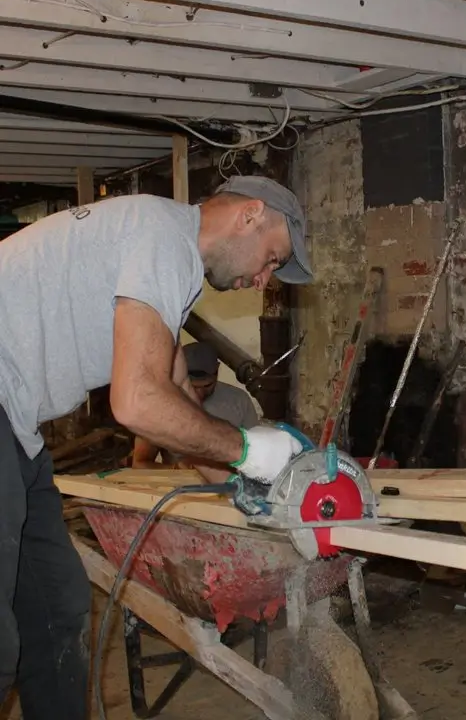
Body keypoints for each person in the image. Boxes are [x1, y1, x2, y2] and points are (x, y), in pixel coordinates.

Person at [0, 174, 313, 719]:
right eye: (270, 258)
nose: (262, 279)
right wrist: (250, 449)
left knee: (56, 608)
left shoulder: (168, 255)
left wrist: (249, 489)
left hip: (16, 427)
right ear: (250, 215)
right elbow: (139, 402)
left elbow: (175, 402)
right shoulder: (163, 237)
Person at [131, 341, 260, 469]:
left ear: (217, 370)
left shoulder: (239, 401)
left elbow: (256, 455)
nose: (199, 393)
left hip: (230, 482)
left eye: (207, 386)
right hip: (179, 485)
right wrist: (175, 470)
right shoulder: (162, 404)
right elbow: (140, 463)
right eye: (193, 387)